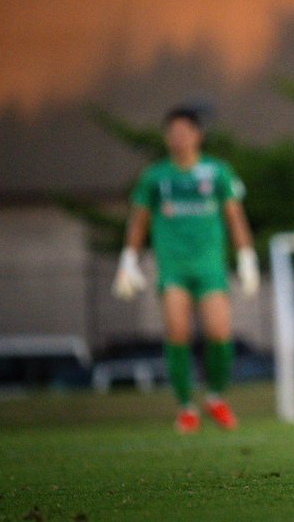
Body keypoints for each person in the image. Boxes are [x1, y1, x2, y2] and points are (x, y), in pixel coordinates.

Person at [111, 106, 260, 433]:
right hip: (174, 267)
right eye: (172, 132)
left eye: (184, 131)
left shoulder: (217, 172)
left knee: (219, 333)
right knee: (178, 333)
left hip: (210, 266)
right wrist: (128, 261)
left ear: (197, 135)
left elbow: (234, 216)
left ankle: (216, 396)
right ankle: (185, 406)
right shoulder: (155, 177)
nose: (177, 138)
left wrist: (246, 257)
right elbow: (139, 220)